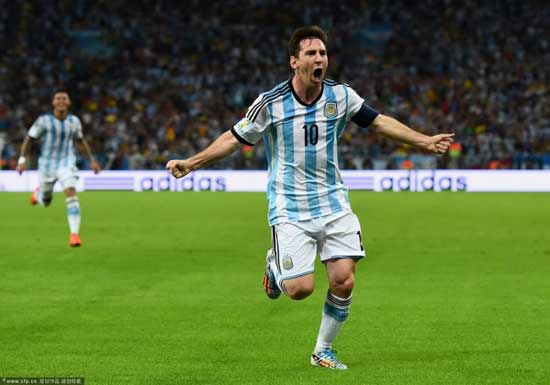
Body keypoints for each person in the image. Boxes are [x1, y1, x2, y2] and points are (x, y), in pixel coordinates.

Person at [166, 26, 454, 370]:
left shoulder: (341, 96)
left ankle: (322, 350)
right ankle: (275, 266)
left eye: (323, 53)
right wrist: (192, 162)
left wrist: (423, 141)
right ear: (294, 62)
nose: (320, 59)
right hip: (289, 207)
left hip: (334, 202)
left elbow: (377, 122)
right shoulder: (270, 103)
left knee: (344, 279)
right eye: (311, 54)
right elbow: (234, 138)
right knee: (300, 289)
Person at [17, 90, 101, 247]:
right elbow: (29, 139)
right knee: (46, 201)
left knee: (71, 192)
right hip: (46, 166)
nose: (61, 101)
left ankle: (74, 235)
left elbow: (81, 141)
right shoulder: (43, 121)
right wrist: (22, 160)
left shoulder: (74, 121)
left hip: (66, 163)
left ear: (68, 103)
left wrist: (92, 161)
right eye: (58, 98)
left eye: (64, 98)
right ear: (53, 103)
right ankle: (38, 195)